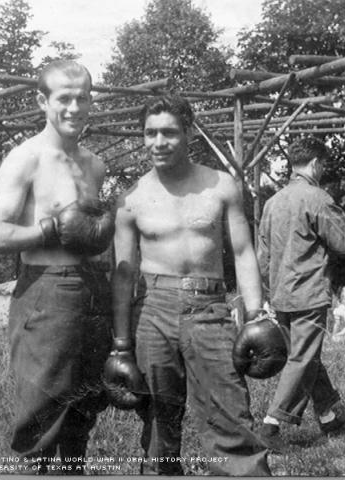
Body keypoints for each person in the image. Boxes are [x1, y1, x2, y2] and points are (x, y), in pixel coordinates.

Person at [110, 95, 270, 476]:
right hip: (152, 310)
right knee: (158, 424)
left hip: (210, 309)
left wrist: (256, 315)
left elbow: (245, 252)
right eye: (150, 133)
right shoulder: (131, 199)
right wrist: (120, 345)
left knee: (229, 415)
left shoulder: (220, 185)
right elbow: (123, 275)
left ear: (189, 132)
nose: (158, 142)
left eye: (168, 132)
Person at [0, 60, 114, 474]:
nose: (74, 107)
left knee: (83, 404)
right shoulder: (26, 159)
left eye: (82, 98)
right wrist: (50, 229)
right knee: (42, 407)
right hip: (45, 289)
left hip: (93, 287)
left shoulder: (95, 164)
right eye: (64, 98)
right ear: (43, 101)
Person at [257, 136, 345, 452]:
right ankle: (271, 426)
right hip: (308, 293)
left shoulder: (271, 203)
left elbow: (262, 255)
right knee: (303, 358)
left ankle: (330, 416)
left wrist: (268, 291)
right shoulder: (317, 198)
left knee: (306, 356)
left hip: (280, 295)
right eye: (323, 165)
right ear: (317, 163)